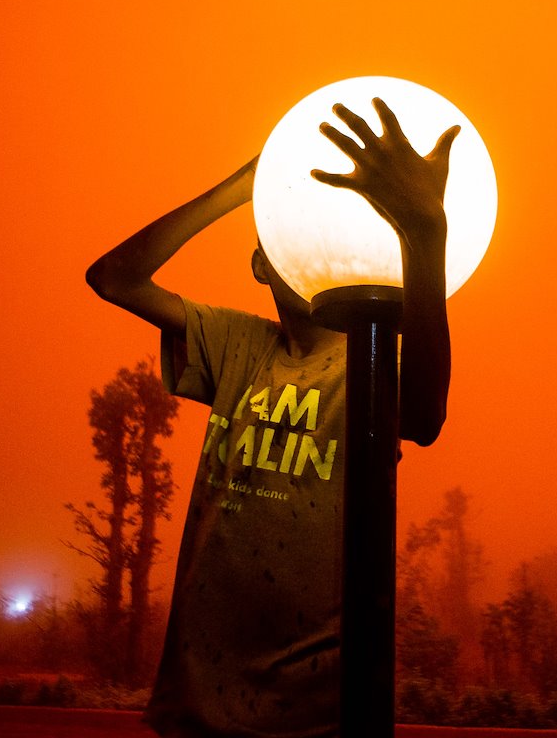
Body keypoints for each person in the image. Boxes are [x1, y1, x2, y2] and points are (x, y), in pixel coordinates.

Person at [86, 98, 456, 737]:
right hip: (195, 705)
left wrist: (424, 234)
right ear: (262, 261)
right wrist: (242, 187)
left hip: (313, 716)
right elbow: (114, 277)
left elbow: (423, 416)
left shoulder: (366, 364)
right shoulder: (235, 343)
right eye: (289, 230)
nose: (312, 243)